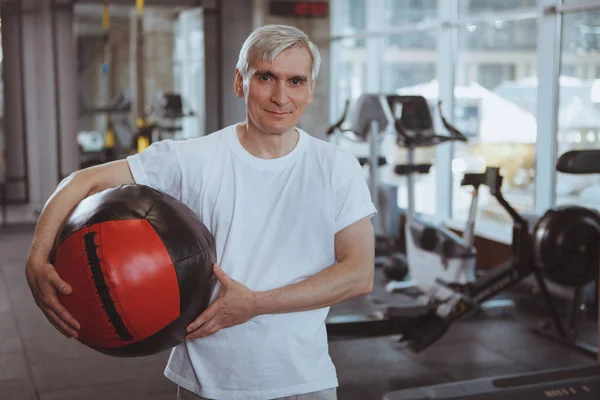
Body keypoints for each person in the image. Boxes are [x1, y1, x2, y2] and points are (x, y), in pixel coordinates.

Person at [25, 25, 376, 400]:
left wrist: (255, 304)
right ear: (240, 81)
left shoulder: (337, 167)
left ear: (310, 89)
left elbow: (358, 274)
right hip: (208, 382)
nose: (280, 96)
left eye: (295, 81)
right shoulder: (191, 158)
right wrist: (37, 256)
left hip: (303, 379)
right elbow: (82, 182)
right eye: (266, 77)